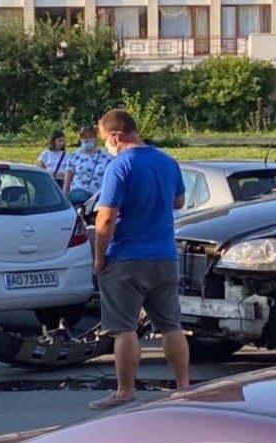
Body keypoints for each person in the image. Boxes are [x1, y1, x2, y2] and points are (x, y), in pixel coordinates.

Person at [89, 108, 190, 410]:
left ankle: (125, 390)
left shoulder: (120, 167)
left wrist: (99, 256)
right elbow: (179, 201)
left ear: (116, 136)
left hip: (126, 257)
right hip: (164, 256)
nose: (107, 145)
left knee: (124, 327)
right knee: (170, 324)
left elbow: (106, 219)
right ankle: (184, 385)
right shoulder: (167, 162)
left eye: (106, 139)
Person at [63, 126, 111, 205]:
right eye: (84, 137)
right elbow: (67, 181)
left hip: (98, 198)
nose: (86, 139)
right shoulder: (74, 156)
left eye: (90, 137)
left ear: (95, 138)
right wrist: (64, 197)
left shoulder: (106, 157)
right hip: (77, 197)